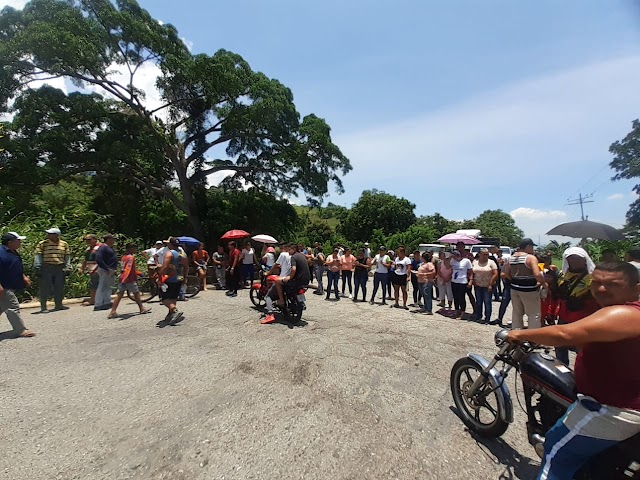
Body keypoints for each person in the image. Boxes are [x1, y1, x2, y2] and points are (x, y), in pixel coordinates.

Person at [506, 262, 640, 480]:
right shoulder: (614, 311)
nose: (601, 289)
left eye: (612, 284)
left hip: (611, 410)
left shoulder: (625, 313)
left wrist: (519, 334)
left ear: (637, 289)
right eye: (596, 282)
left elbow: (564, 335)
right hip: (616, 402)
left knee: (555, 455)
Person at [555, 247, 601, 365]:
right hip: (564, 315)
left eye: (577, 258)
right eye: (571, 259)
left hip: (583, 317)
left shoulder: (593, 277)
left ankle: (582, 372)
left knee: (581, 347)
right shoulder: (563, 275)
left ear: (584, 260)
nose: (574, 261)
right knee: (560, 344)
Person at [503, 238, 547, 329]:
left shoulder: (512, 258)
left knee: (517, 313)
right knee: (533, 314)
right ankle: (533, 338)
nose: (533, 249)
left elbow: (505, 273)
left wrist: (514, 279)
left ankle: (517, 335)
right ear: (527, 246)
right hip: (529, 289)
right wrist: (544, 284)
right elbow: (537, 274)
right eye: (532, 247)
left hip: (515, 288)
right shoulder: (531, 258)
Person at [0, 232, 35, 338]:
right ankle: (20, 330)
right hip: (4, 286)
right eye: (18, 240)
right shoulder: (0, 253)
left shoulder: (13, 252)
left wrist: (23, 276)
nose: (20, 242)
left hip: (10, 285)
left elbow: (14, 265)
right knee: (12, 306)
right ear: (10, 242)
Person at [108, 243, 152, 318]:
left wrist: (137, 273)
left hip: (122, 277)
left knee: (119, 294)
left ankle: (113, 311)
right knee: (136, 293)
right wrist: (133, 275)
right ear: (131, 248)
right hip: (128, 278)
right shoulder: (130, 257)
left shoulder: (124, 257)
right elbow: (128, 269)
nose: (136, 250)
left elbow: (124, 268)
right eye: (135, 248)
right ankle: (142, 308)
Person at [34, 227, 71, 313]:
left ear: (57, 235)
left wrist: (68, 266)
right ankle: (43, 307)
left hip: (59, 267)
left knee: (59, 287)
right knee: (44, 287)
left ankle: (58, 305)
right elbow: (38, 255)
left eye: (51, 234)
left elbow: (67, 256)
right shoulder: (43, 244)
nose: (48, 235)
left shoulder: (64, 244)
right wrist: (38, 267)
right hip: (47, 267)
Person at [158, 237, 186, 325]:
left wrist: (160, 277)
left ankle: (175, 311)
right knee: (173, 297)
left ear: (170, 244)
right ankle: (170, 314)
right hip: (179, 277)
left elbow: (165, 266)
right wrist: (185, 277)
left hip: (170, 278)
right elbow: (186, 267)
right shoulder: (182, 254)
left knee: (164, 298)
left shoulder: (169, 254)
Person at [472, 248, 499, 324]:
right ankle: (478, 316)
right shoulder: (475, 262)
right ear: (479, 254)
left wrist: (490, 284)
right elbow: (472, 272)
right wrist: (472, 280)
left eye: (487, 254)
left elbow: (496, 273)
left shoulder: (491, 262)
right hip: (478, 285)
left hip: (487, 285)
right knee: (479, 301)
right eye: (484, 254)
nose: (485, 256)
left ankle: (487, 318)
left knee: (487, 302)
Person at [94, 234, 118, 311]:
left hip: (110, 270)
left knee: (108, 286)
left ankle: (106, 302)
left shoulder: (108, 248)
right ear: (108, 239)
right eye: (112, 239)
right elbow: (98, 259)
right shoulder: (103, 247)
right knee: (102, 286)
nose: (114, 241)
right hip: (105, 270)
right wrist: (106, 268)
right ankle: (98, 304)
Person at [456, 242, 477, 317]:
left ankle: (475, 309)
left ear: (464, 247)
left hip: (467, 276)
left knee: (469, 294)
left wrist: (471, 279)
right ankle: (460, 309)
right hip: (458, 277)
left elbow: (472, 265)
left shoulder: (469, 255)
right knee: (459, 295)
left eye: (461, 246)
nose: (460, 248)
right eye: (458, 246)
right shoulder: (456, 254)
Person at [451, 250, 473, 318]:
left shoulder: (466, 261)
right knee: (455, 297)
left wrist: (470, 281)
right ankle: (457, 310)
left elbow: (471, 272)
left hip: (462, 281)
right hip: (454, 281)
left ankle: (462, 312)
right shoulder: (452, 261)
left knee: (461, 297)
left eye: (456, 256)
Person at [81, 234, 101, 306]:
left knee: (95, 284)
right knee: (94, 284)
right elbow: (85, 260)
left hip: (98, 269)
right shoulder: (88, 249)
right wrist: (82, 268)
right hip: (92, 270)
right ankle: (95, 298)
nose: (87, 241)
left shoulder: (100, 248)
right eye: (86, 240)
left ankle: (93, 300)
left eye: (89, 240)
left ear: (95, 239)